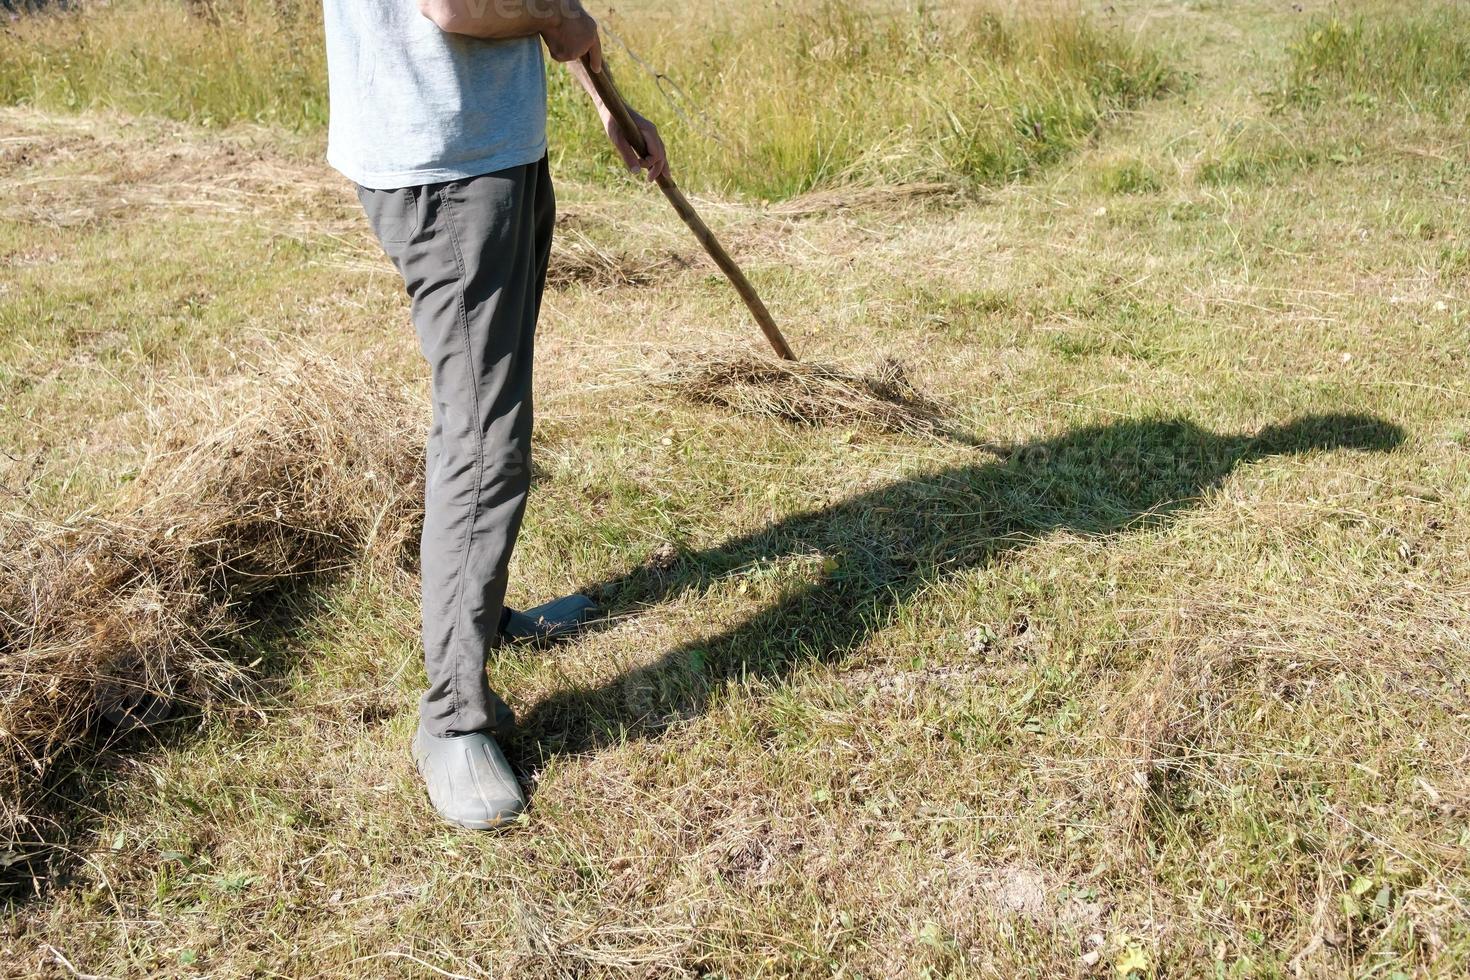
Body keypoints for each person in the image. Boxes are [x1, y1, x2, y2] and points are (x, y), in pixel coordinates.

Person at [321, 0, 668, 830]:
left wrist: (599, 94)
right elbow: (458, 6)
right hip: (446, 165)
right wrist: (557, 19)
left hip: (490, 146)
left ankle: (478, 613)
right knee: (485, 440)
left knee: (486, 409)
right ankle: (451, 716)